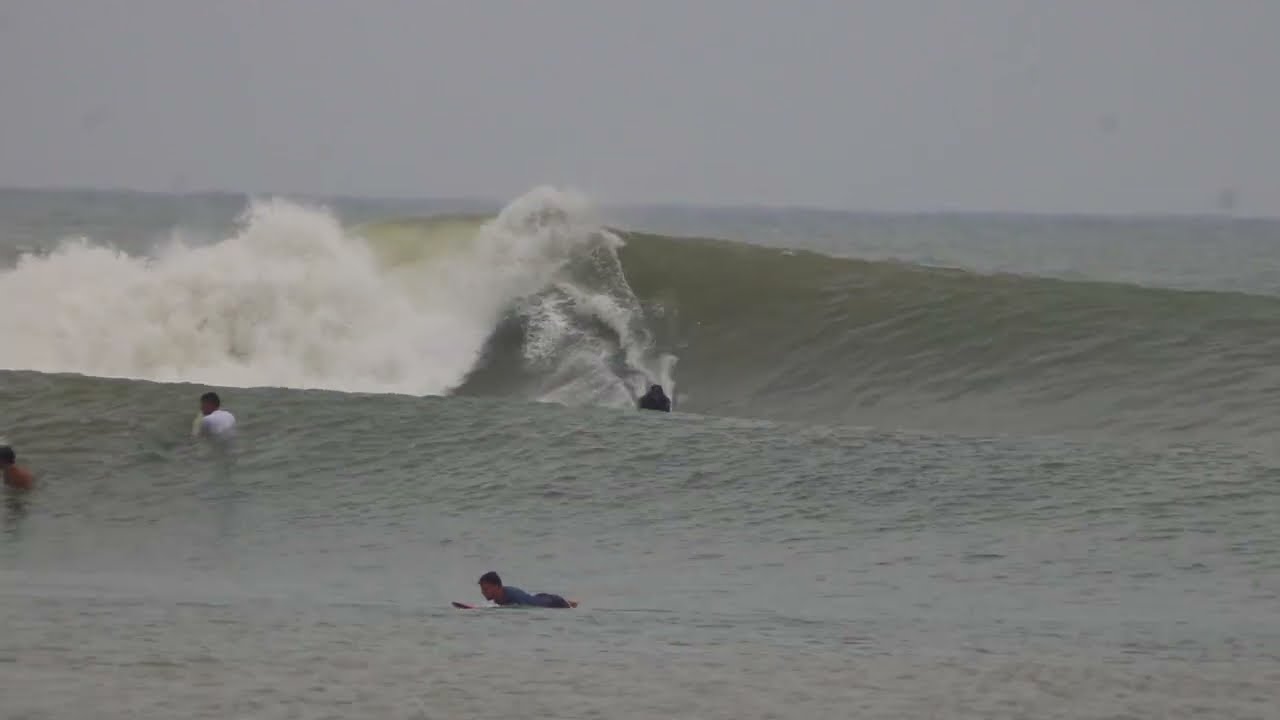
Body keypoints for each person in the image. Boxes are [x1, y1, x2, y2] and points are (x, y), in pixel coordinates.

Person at [478, 571, 575, 608]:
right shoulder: (499, 596)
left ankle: (570, 603)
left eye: (486, 589)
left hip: (554, 603)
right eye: (482, 589)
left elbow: (529, 610)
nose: (483, 592)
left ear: (497, 587)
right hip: (541, 597)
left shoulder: (513, 596)